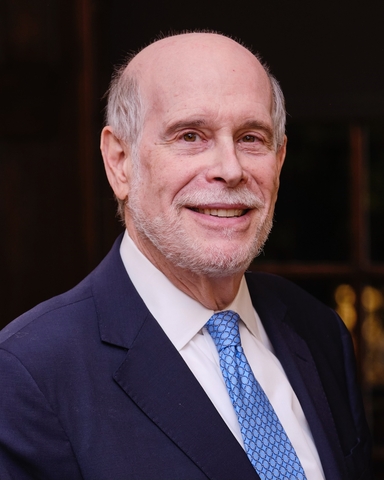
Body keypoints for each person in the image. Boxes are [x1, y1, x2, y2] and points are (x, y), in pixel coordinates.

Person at [0, 32, 372, 480]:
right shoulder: (29, 374)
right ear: (120, 161)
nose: (230, 169)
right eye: (191, 136)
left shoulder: (319, 332)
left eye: (251, 138)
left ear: (280, 158)